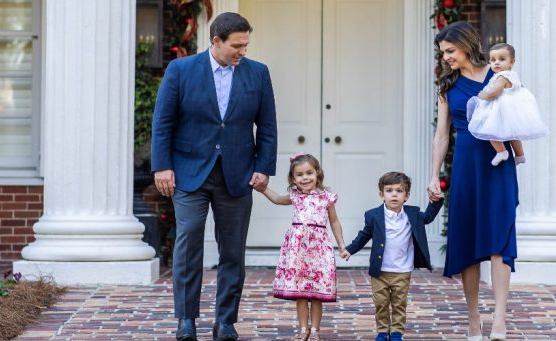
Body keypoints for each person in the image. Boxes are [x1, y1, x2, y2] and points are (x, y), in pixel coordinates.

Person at [150, 12, 277, 341]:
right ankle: (186, 319)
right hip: (189, 173)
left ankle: (225, 322)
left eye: (246, 45)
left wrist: (263, 168)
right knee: (188, 241)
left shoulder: (258, 73)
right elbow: (163, 122)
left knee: (233, 250)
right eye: (237, 45)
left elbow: (267, 127)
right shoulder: (181, 70)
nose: (242, 52)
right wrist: (162, 166)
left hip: (237, 175)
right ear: (216, 41)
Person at [426, 22, 517, 341]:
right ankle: (474, 319)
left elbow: (517, 117)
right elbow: (441, 135)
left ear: (465, 45)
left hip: (497, 163)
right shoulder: (447, 85)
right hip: (465, 163)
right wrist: (433, 175)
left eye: (450, 51)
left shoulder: (500, 74)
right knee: (467, 239)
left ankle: (500, 320)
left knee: (500, 239)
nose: (446, 58)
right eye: (443, 53)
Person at [339, 172, 444, 341]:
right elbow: (364, 235)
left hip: (402, 270)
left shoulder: (413, 214)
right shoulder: (373, 215)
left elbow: (429, 217)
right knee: (381, 304)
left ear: (406, 196)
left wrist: (436, 201)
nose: (394, 194)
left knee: (399, 303)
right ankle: (382, 331)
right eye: (389, 190)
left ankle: (396, 332)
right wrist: (349, 249)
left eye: (399, 191)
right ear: (382, 194)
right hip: (380, 271)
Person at [257, 153, 346, 341]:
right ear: (293, 178)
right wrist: (263, 189)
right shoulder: (294, 196)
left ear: (317, 174)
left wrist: (341, 245)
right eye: (300, 175)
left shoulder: (326, 197)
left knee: (317, 293)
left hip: (319, 250)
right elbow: (277, 199)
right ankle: (303, 329)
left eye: (309, 173)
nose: (305, 178)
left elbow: (335, 221)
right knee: (301, 294)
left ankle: (315, 330)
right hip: (297, 250)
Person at [466, 43, 550, 166]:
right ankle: (520, 155)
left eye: (502, 59)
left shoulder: (501, 77)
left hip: (499, 110)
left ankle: (501, 152)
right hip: (510, 111)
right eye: (493, 60)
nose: (496, 63)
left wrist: (483, 95)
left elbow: (495, 93)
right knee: (513, 135)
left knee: (490, 131)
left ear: (512, 61)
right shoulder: (513, 75)